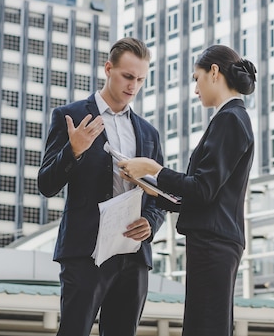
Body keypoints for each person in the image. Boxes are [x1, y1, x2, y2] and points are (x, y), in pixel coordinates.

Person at [118, 45, 256, 336]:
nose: (196, 89)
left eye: (197, 78)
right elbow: (201, 194)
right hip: (214, 240)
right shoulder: (229, 118)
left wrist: (153, 169)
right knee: (205, 325)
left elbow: (203, 189)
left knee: (204, 327)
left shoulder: (230, 119)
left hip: (214, 242)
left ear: (214, 72)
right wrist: (155, 191)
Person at [38, 37, 165, 336]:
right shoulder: (70, 117)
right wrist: (74, 150)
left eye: (141, 79)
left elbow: (159, 193)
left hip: (133, 254)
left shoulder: (148, 132)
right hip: (85, 252)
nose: (133, 86)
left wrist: (151, 223)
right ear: (109, 69)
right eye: (128, 76)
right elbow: (46, 184)